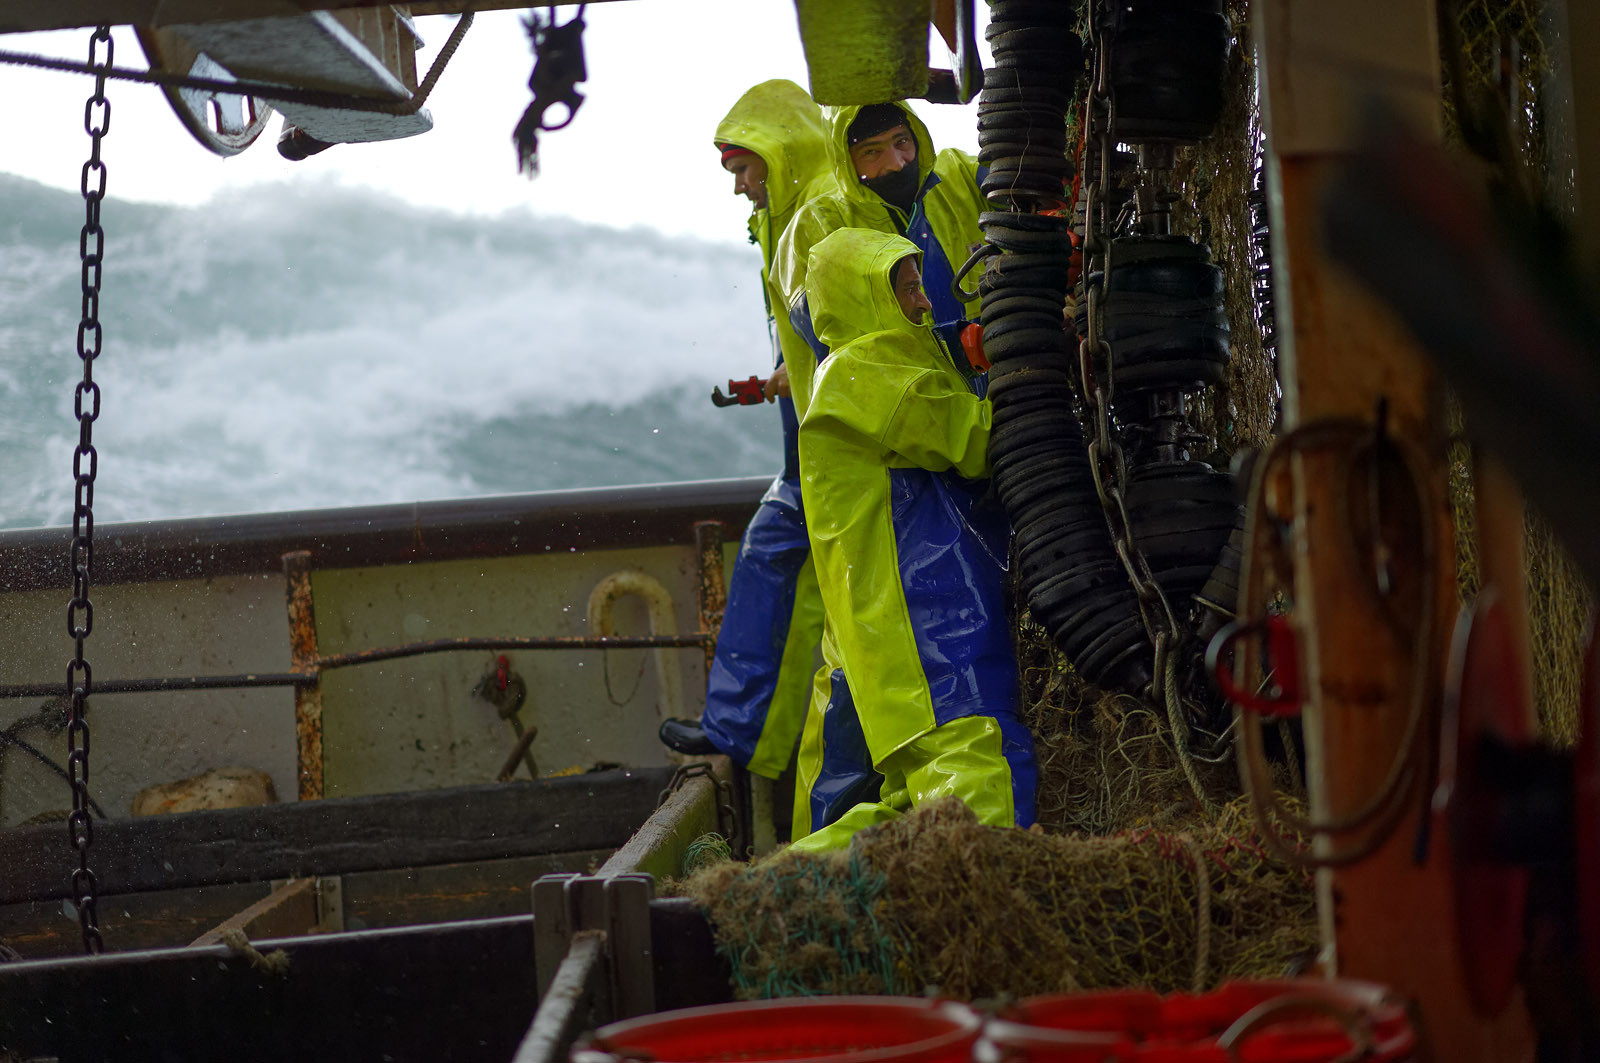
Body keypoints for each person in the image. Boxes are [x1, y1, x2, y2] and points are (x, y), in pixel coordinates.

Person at [768, 101, 991, 839]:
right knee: (928, 753)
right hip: (899, 588)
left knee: (903, 768)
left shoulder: (950, 185)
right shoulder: (868, 361)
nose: (894, 163)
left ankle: (802, 870)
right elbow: (822, 316)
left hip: (908, 535)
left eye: (903, 144)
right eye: (873, 153)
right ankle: (803, 866)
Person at [786, 227, 1036, 853]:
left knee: (909, 808)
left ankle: (772, 891)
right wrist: (1036, 364)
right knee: (983, 784)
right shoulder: (862, 370)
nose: (926, 303)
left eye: (920, 285)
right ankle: (994, 926)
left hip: (912, 625)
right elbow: (977, 442)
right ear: (864, 297)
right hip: (925, 626)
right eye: (906, 289)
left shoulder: (868, 367)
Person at [656, 81, 837, 791]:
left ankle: (747, 733)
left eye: (742, 169)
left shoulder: (816, 215)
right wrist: (776, 378)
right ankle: (752, 734)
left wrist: (807, 369)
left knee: (777, 555)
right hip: (812, 437)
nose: (738, 187)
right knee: (780, 558)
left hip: (839, 444)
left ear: (779, 153)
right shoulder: (787, 215)